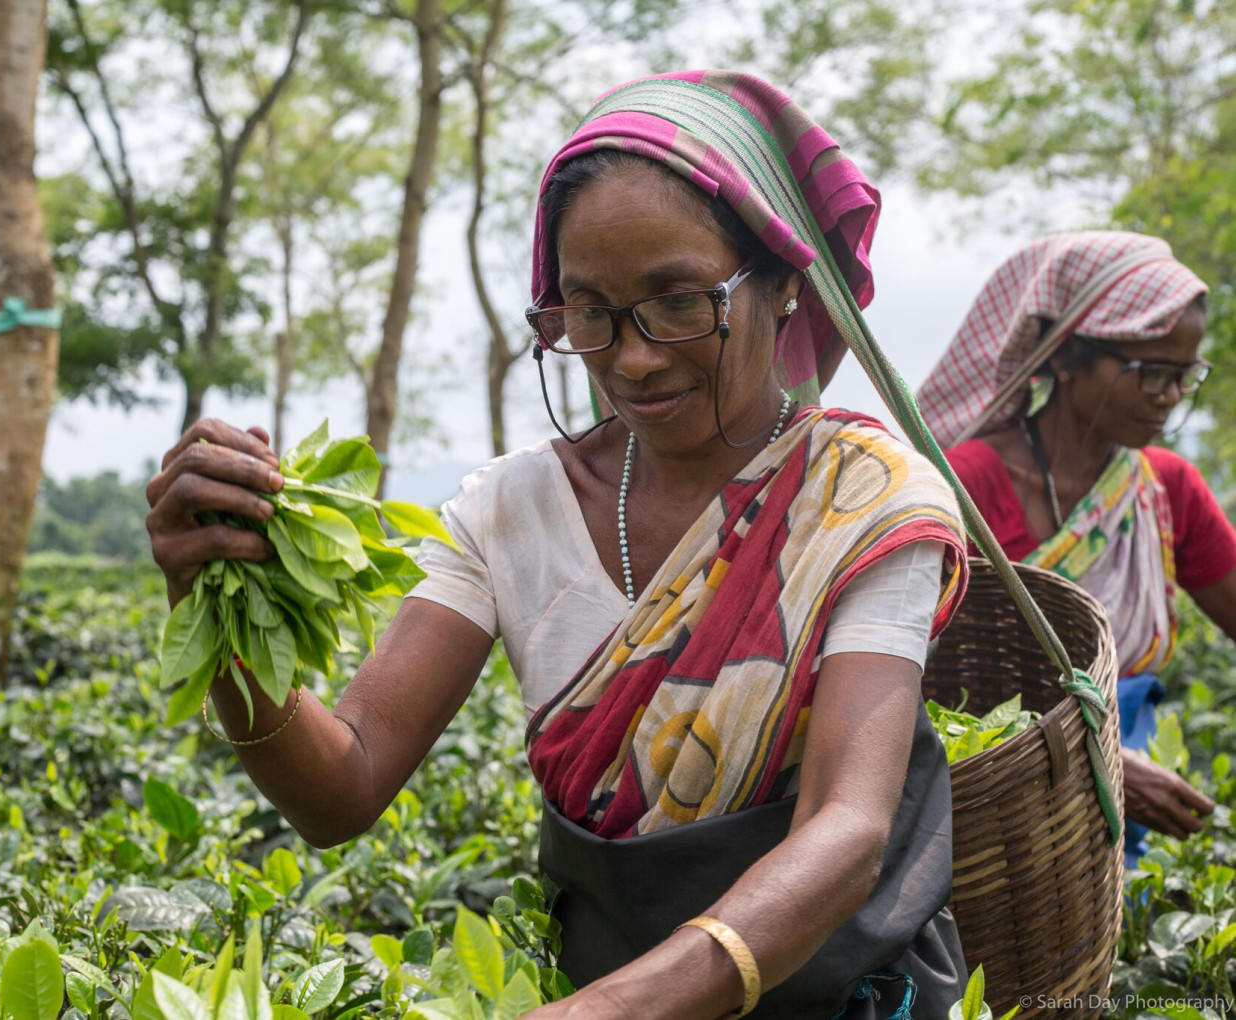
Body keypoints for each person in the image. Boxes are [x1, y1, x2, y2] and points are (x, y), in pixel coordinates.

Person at [148, 70, 972, 1018]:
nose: (633, 357)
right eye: (590, 313)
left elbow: (848, 825)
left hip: (836, 996)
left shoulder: (864, 499)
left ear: (784, 281)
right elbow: (345, 784)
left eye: (677, 301)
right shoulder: (510, 510)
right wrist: (211, 595)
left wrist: (610, 1011)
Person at [918, 231, 1236, 867]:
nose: (1170, 396)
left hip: (1139, 803)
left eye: (1184, 376)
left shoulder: (1166, 490)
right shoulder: (965, 485)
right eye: (1150, 372)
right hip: (997, 813)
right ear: (1064, 358)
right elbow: (916, 680)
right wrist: (1101, 756)